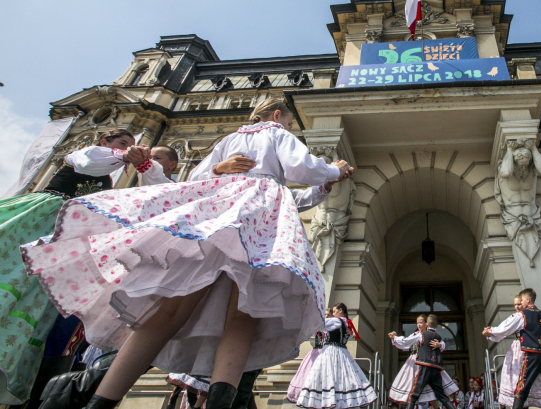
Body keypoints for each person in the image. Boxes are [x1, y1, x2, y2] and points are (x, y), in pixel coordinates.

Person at [21, 98, 354, 409]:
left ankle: (101, 401)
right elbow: (303, 168)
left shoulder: (229, 139)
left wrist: (222, 169)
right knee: (244, 314)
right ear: (278, 116)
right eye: (290, 122)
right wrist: (334, 171)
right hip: (260, 217)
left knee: (170, 309)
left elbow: (197, 175)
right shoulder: (275, 132)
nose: (290, 128)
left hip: (218, 212)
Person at [0, 129, 148, 407]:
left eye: (131, 145)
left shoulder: (108, 179)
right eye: (122, 143)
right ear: (105, 143)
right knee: (15, 270)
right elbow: (89, 160)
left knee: (40, 291)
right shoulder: (82, 155)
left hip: (68, 231)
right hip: (46, 216)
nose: (128, 148)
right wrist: (122, 155)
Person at [483, 288, 541, 409]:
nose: (520, 304)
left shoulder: (522, 315)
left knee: (523, 384)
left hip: (532, 353)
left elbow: (505, 328)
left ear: (527, 300)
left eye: (521, 301)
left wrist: (490, 331)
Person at [295, 303, 376, 409]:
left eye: (334, 311)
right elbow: (350, 334)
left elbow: (320, 324)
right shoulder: (346, 323)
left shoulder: (336, 321)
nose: (333, 314)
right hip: (343, 353)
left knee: (327, 377)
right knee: (341, 379)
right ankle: (340, 401)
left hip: (332, 351)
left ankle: (328, 401)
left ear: (340, 310)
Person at [388, 315, 458, 405]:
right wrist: (395, 338)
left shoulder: (429, 335)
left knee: (429, 394)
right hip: (417, 363)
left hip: (426, 365)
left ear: (427, 324)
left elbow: (442, 343)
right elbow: (406, 342)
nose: (418, 325)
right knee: (414, 388)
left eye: (421, 322)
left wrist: (439, 345)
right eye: (417, 323)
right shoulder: (417, 334)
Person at [287, 308, 333, 403]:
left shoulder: (333, 328)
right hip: (315, 354)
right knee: (310, 378)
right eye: (325, 315)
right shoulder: (317, 326)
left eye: (329, 315)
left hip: (328, 355)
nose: (326, 316)